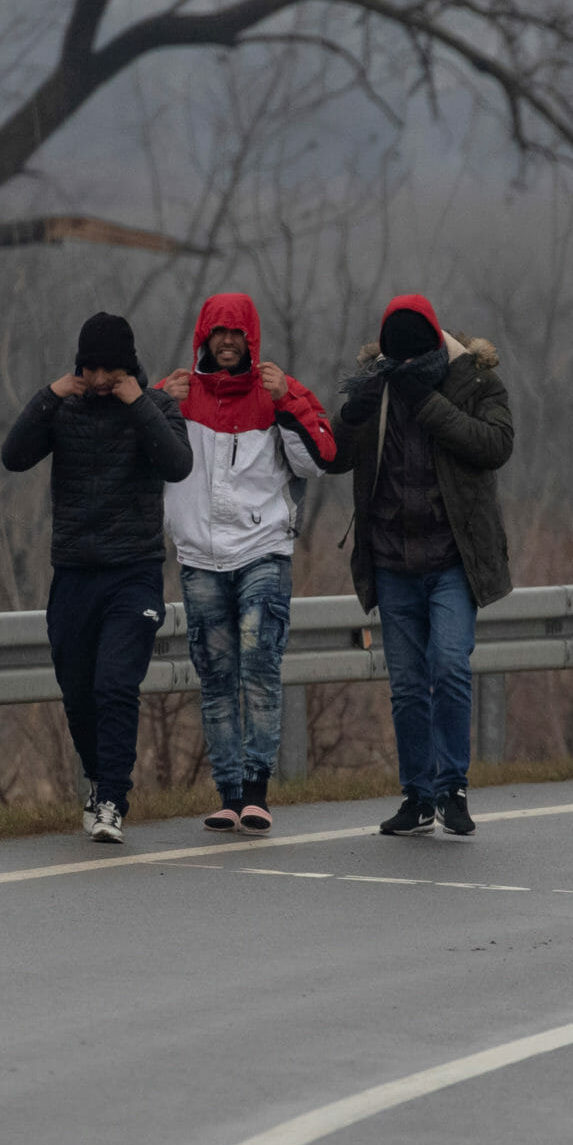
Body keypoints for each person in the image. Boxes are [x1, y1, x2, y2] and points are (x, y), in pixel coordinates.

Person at [2, 311, 193, 843]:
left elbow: (178, 464)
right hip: (74, 572)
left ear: (128, 369)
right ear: (80, 367)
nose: (102, 378)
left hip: (133, 573)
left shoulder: (155, 408)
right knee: (78, 691)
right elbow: (13, 456)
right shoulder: (62, 409)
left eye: (112, 369)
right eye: (92, 368)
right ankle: (97, 780)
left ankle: (111, 797)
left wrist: (139, 403)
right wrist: (48, 394)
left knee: (115, 685)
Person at [331, 293, 515, 838]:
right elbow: (333, 455)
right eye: (398, 361)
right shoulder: (376, 383)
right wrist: (355, 410)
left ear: (435, 345)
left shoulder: (476, 381)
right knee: (408, 685)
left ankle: (452, 790)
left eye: (415, 360)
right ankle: (416, 795)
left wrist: (427, 403)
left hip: (452, 558)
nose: (405, 369)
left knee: (451, 667)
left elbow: (496, 444)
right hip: (391, 559)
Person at [155, 292, 339, 833]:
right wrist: (157, 403)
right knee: (215, 677)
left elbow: (323, 458)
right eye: (219, 333)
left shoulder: (277, 391)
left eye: (238, 333)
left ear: (252, 339)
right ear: (204, 339)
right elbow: (132, 450)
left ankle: (257, 792)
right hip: (200, 558)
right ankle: (229, 795)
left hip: (263, 552)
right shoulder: (177, 397)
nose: (228, 341)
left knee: (259, 668)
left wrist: (289, 403)